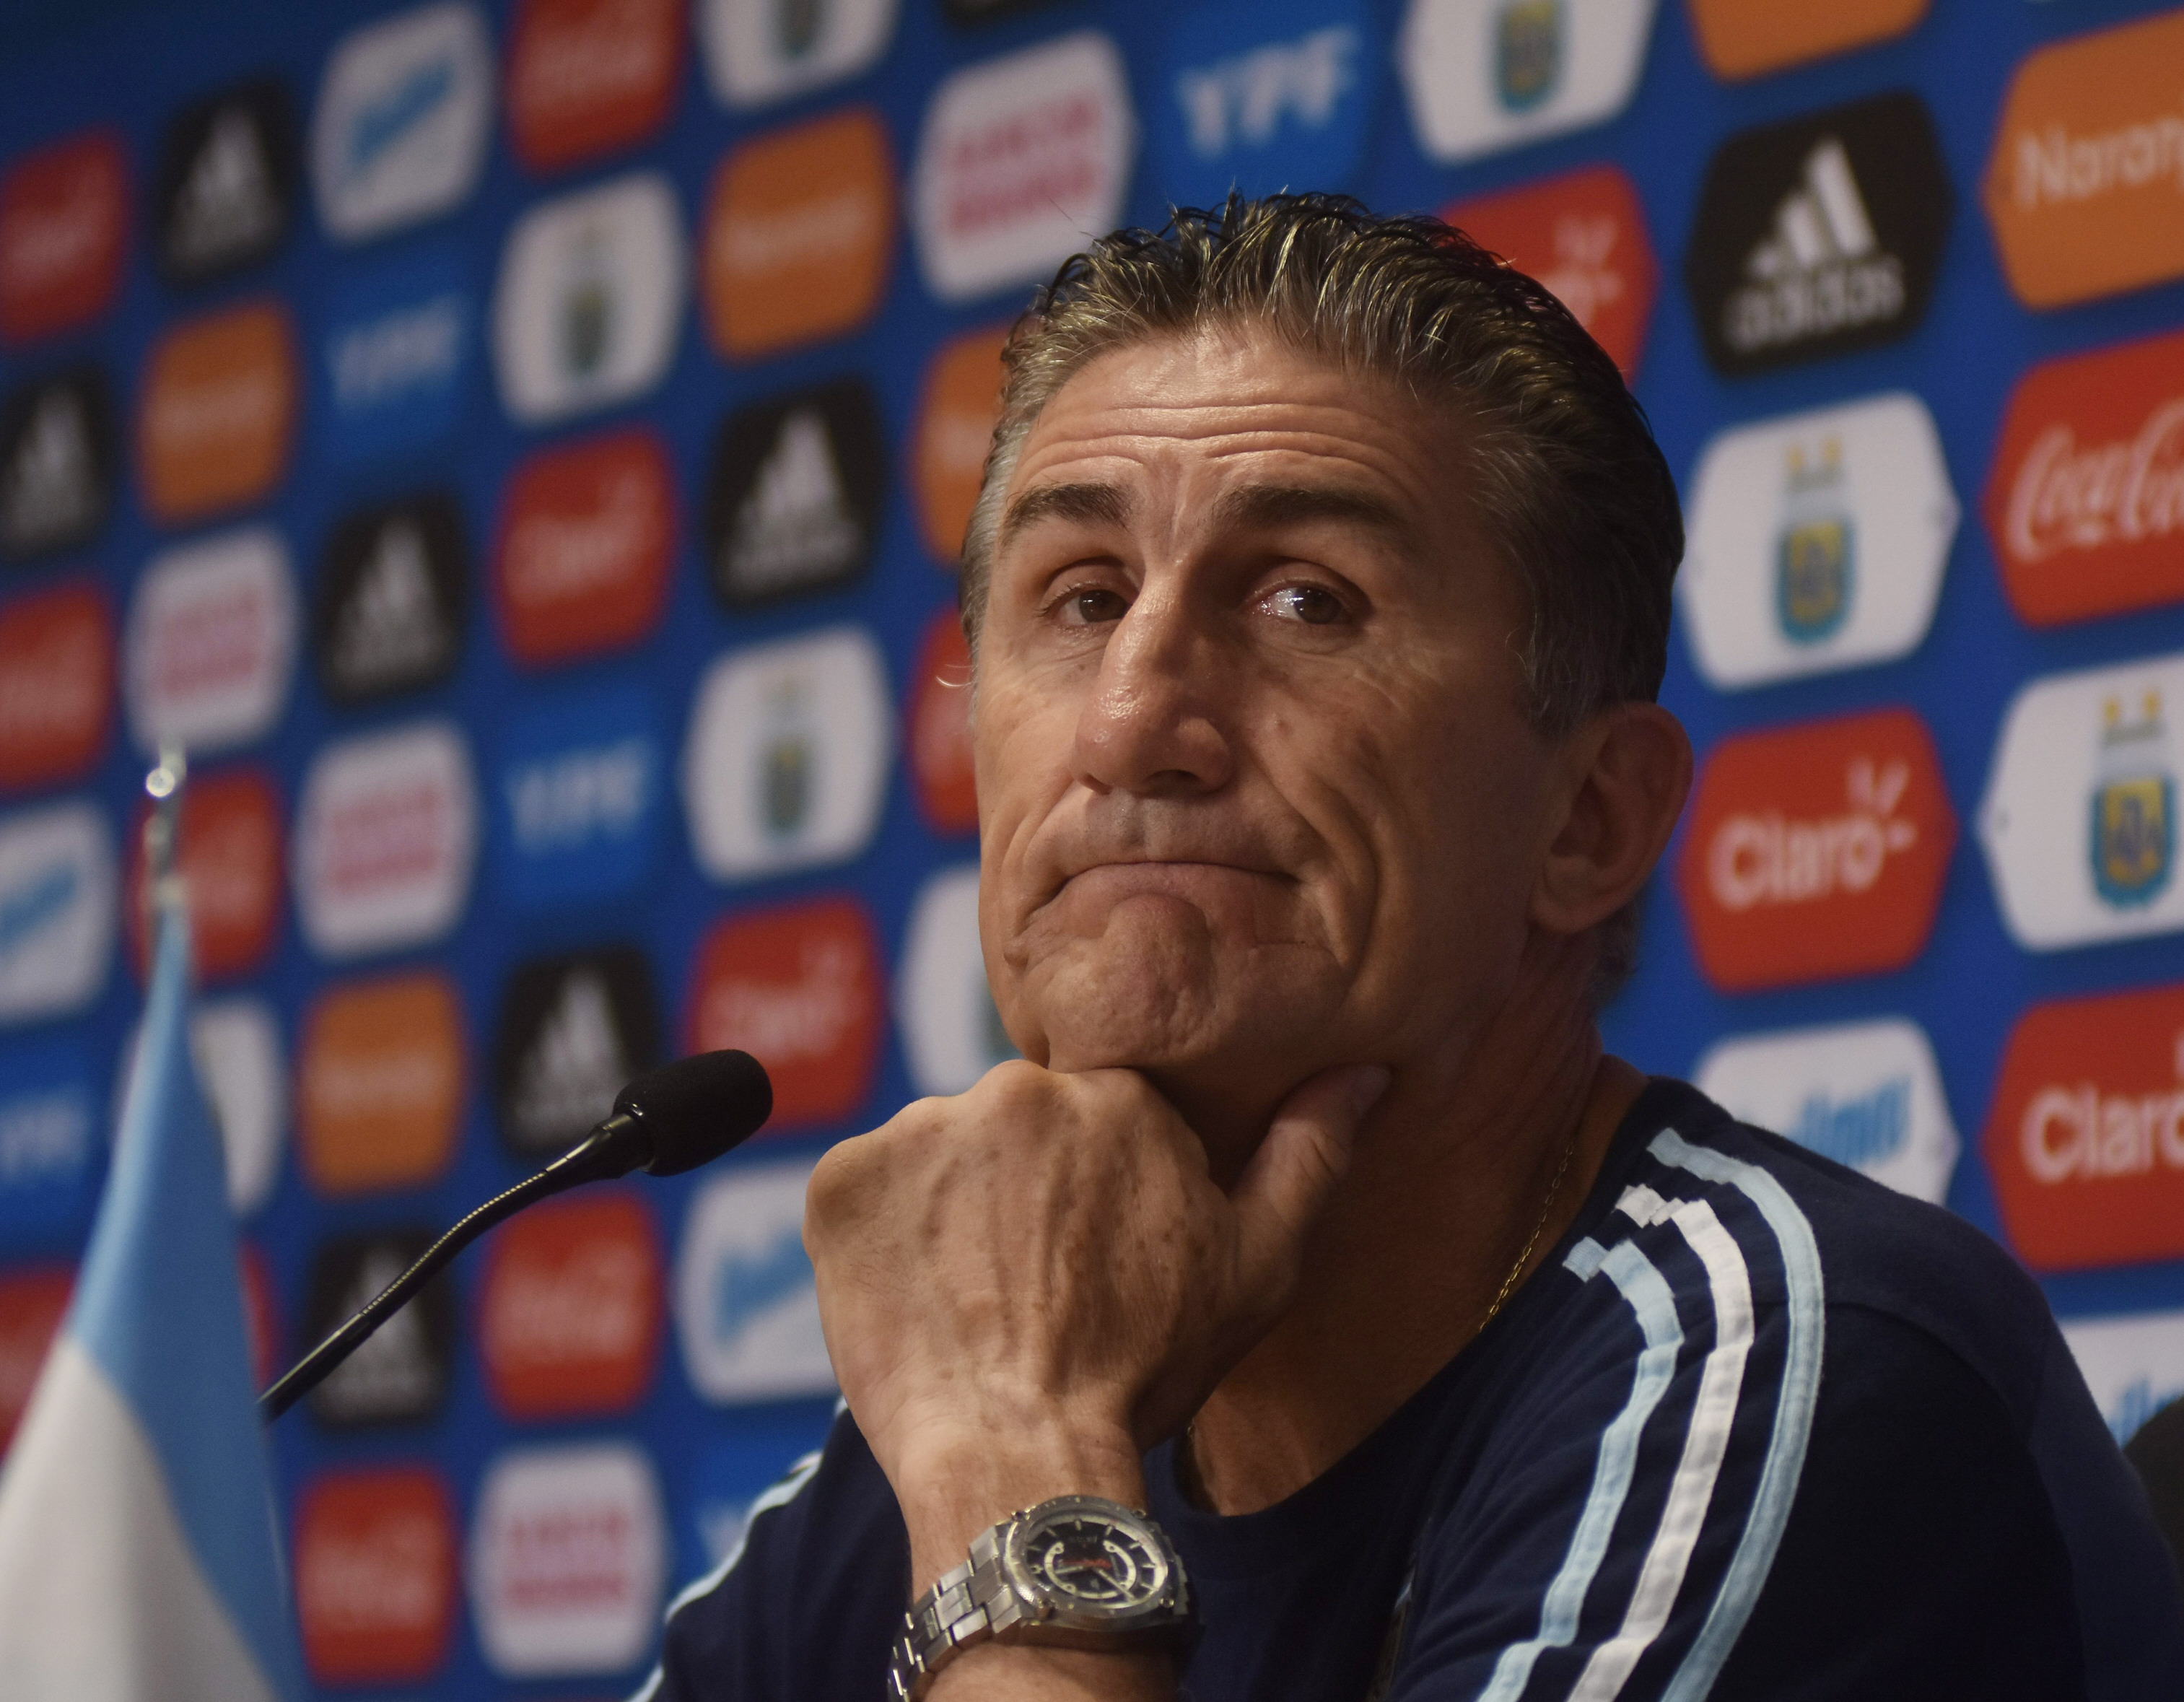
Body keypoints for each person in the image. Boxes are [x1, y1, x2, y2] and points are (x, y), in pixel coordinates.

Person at [638, 196, 2184, 1702]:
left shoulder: (1786, 1363)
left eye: (1305, 601)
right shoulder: (961, 1414)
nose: (1130, 720)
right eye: (1083, 597)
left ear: (1587, 819)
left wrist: (1016, 1466)